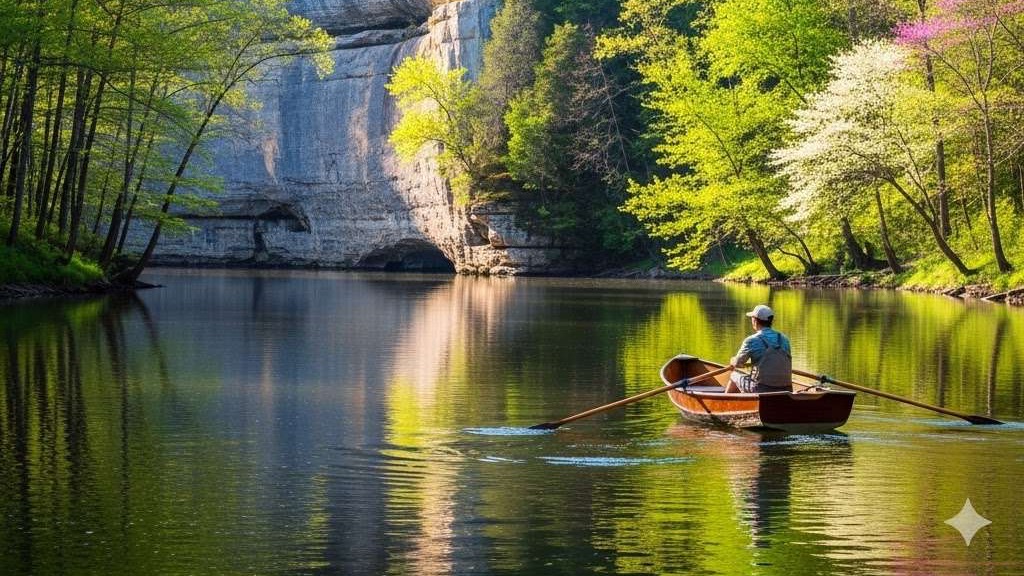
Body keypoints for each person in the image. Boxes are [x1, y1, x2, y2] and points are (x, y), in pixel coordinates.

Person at [724, 304, 793, 393]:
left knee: (733, 375)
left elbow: (738, 363)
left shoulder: (751, 340)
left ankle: (724, 403)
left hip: (761, 389)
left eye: (752, 318)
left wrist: (732, 361)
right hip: (786, 389)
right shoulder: (784, 339)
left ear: (755, 321)